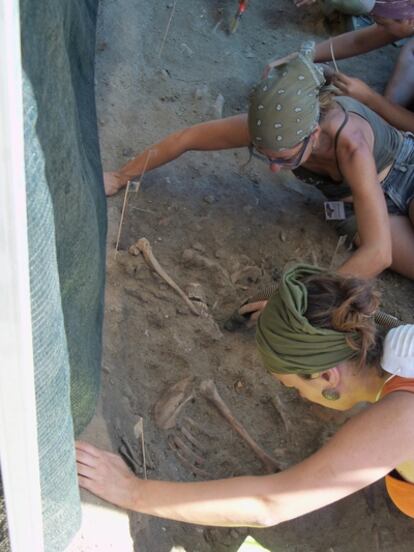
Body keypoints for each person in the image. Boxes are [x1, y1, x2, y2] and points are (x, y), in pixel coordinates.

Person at [76, 264, 414, 525]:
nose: (296, 394)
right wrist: (287, 315)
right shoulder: (401, 346)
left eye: (292, 385)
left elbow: (270, 505)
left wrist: (132, 491)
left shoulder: (401, 416)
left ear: (326, 376)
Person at [104, 43, 414, 281]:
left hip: (405, 173)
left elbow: (379, 253)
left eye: (285, 159)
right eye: (264, 155)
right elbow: (187, 139)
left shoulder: (351, 146)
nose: (274, 167)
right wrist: (120, 177)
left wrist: (299, 300)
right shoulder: (274, 128)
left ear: (314, 133)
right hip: (353, 205)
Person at [282, 0, 414, 109]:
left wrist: (370, 98)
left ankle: (391, 120)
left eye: (382, 24)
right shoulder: (407, 15)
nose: (379, 29)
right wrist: (304, 55)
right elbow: (358, 41)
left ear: (410, 20)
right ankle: (390, 109)